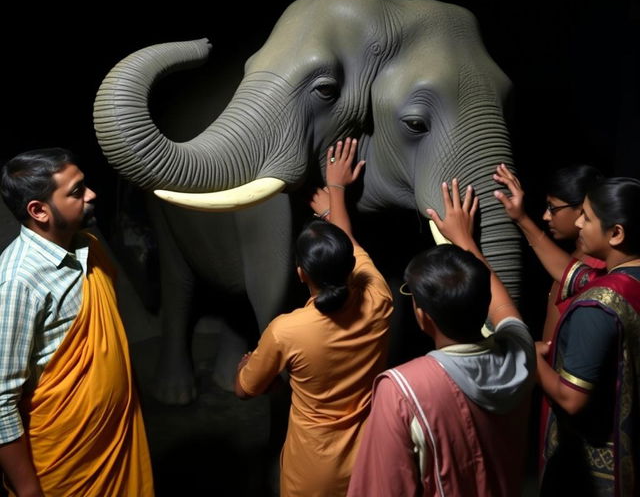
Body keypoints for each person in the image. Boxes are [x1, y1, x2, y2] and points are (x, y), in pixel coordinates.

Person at [347, 178, 536, 497]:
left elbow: (381, 488)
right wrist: (466, 240)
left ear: (423, 316)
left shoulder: (402, 390)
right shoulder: (521, 353)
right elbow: (504, 307)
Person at [234, 138, 393, 497]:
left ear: (301, 273)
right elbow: (348, 240)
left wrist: (249, 366)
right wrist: (335, 191)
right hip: (371, 456)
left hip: (314, 470)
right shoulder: (379, 296)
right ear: (352, 267)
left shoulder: (286, 331)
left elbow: (244, 389)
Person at [0, 148, 154, 497]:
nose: (91, 195)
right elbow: (0, 399)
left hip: (116, 440)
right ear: (39, 211)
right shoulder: (17, 282)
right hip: (64, 465)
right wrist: (27, 489)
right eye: (76, 191)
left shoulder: (89, 247)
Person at [493, 163, 640, 496]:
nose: (577, 223)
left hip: (596, 473)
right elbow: (568, 271)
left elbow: (570, 399)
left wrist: (527, 354)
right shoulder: (628, 282)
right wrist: (520, 218)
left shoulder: (598, 304)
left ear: (616, 233)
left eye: (586, 217)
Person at [540, 164, 605, 342]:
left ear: (583, 208)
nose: (546, 216)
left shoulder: (598, 266)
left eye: (553, 208)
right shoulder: (577, 254)